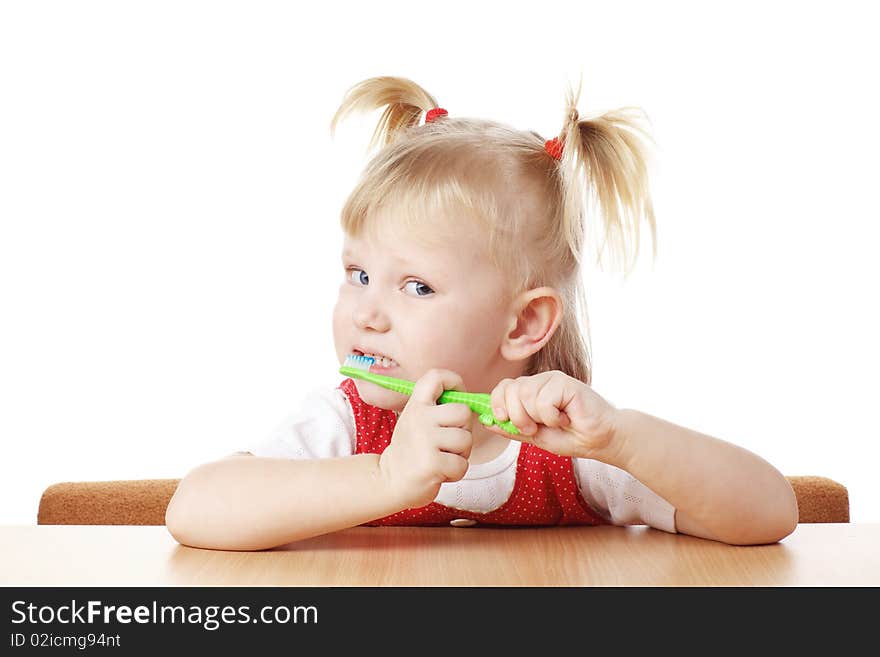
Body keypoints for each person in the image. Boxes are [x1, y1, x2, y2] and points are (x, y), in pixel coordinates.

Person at [165, 75, 799, 551]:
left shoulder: (570, 447)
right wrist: (385, 478)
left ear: (522, 325)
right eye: (358, 275)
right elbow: (193, 510)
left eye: (415, 287)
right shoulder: (347, 425)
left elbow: (771, 514)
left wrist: (623, 440)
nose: (366, 314)